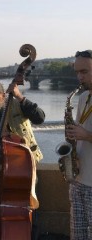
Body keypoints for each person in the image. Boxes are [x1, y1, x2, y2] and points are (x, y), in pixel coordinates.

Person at [0, 81, 45, 240]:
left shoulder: (18, 106)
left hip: (23, 170)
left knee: (29, 211)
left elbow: (40, 117)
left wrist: (20, 97)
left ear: (3, 96)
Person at [66, 50, 92, 240]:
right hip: (78, 179)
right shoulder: (83, 98)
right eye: (77, 72)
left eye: (84, 71)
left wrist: (87, 135)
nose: (79, 77)